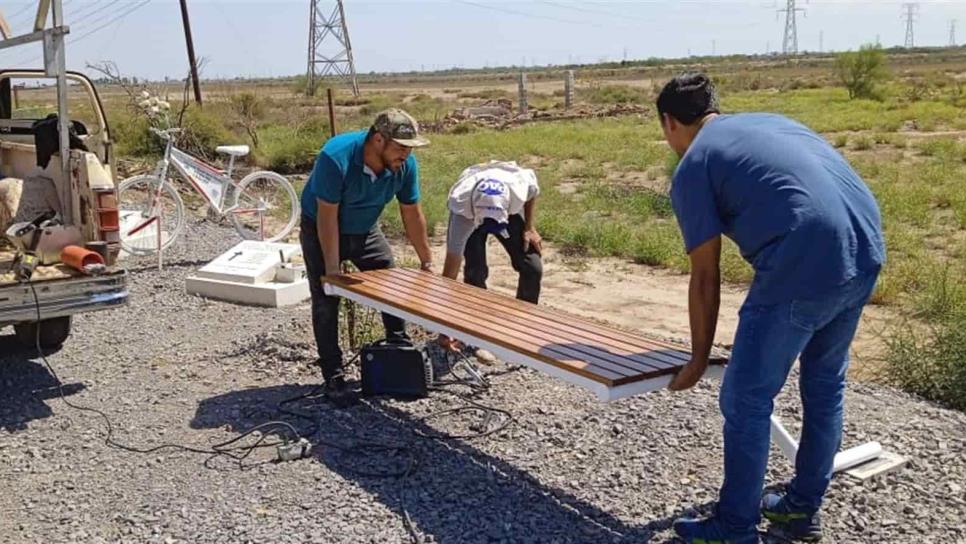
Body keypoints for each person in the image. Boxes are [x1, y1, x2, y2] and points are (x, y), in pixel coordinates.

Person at [657, 74, 885, 543]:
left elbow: (704, 276)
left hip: (802, 262)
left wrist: (698, 361)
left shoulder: (695, 162)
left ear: (669, 123)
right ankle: (800, 511)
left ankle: (735, 527)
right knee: (824, 388)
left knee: (745, 399)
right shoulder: (770, 122)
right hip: (864, 251)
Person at [299, 108, 434, 407]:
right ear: (377, 140)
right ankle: (333, 376)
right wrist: (333, 272)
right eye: (400, 148)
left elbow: (412, 213)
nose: (406, 155)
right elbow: (327, 217)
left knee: (390, 282)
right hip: (322, 226)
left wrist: (427, 262)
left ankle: (397, 352)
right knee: (326, 298)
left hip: (365, 228)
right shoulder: (336, 157)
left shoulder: (405, 166)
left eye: (410, 149)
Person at [437, 160, 543, 352]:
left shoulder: (518, 188)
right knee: (475, 272)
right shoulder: (461, 209)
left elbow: (533, 190)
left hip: (503, 201)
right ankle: (477, 332)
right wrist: (443, 327)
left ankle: (523, 331)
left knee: (532, 266)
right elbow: (449, 274)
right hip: (473, 208)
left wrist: (529, 227)